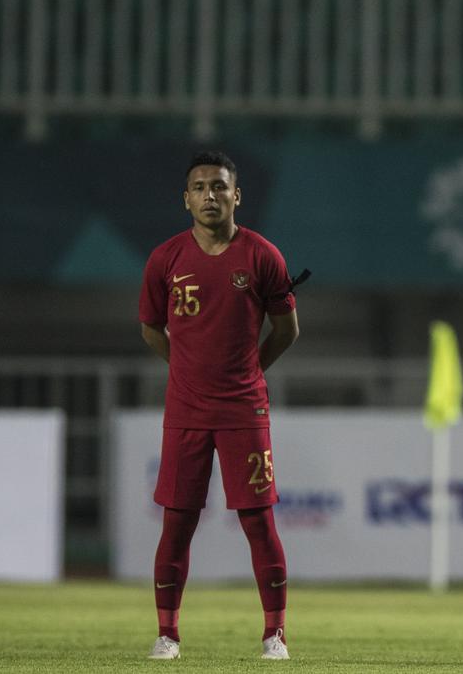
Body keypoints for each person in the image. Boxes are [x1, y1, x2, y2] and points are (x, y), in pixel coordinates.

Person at [139, 151, 301, 661]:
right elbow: (150, 327)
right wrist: (185, 368)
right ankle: (168, 635)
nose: (211, 194)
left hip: (243, 411)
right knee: (178, 521)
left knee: (258, 521)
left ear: (237, 196)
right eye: (200, 187)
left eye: (220, 186)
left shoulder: (262, 255)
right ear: (185, 199)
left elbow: (287, 329)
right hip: (185, 410)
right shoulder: (165, 259)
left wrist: (249, 373)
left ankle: (275, 635)